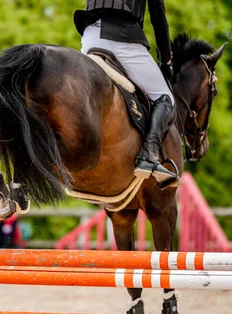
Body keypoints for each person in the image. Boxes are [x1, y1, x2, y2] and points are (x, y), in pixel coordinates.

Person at [74, 1, 178, 187]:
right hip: (122, 38)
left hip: (89, 37)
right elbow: (158, 19)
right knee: (165, 97)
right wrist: (166, 60)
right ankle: (149, 155)